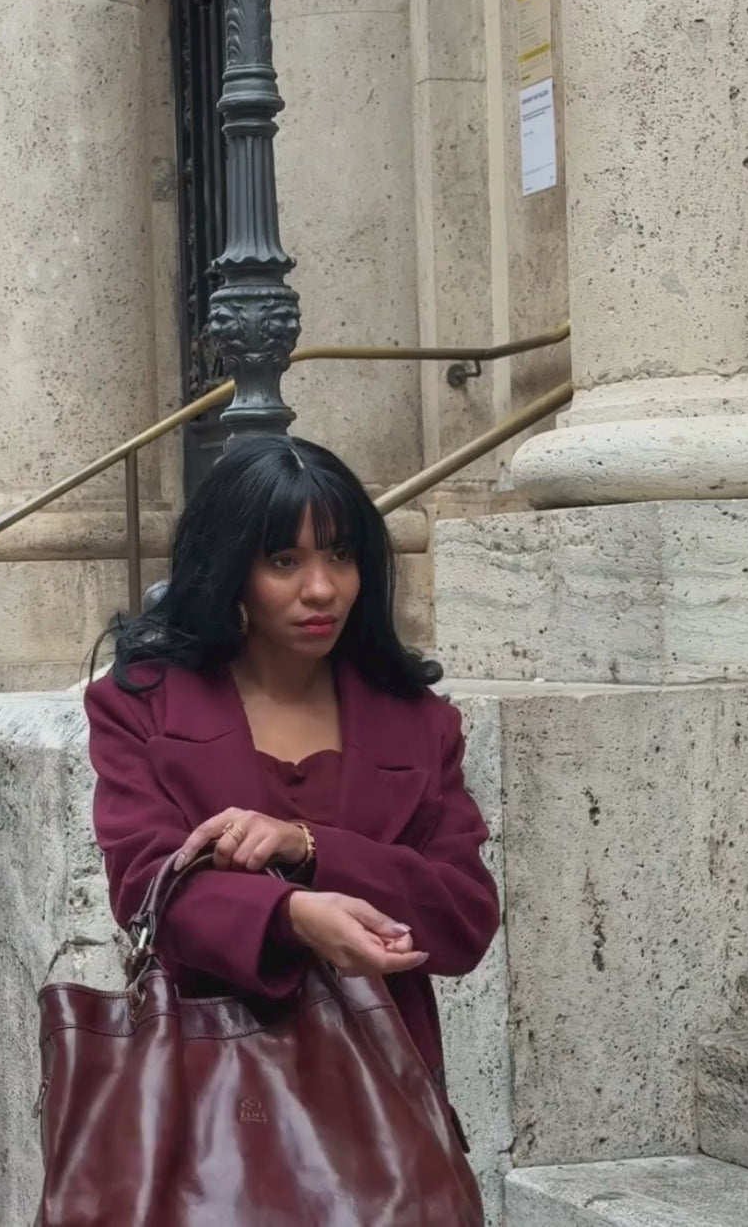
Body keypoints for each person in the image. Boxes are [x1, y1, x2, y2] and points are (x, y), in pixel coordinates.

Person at [85, 435, 499, 1174]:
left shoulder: (421, 724)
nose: (322, 589)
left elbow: (463, 917)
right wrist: (292, 917)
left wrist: (308, 846)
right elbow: (145, 886)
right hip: (209, 1114)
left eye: (340, 555)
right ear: (232, 569)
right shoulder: (141, 706)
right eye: (284, 561)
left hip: (382, 1117)